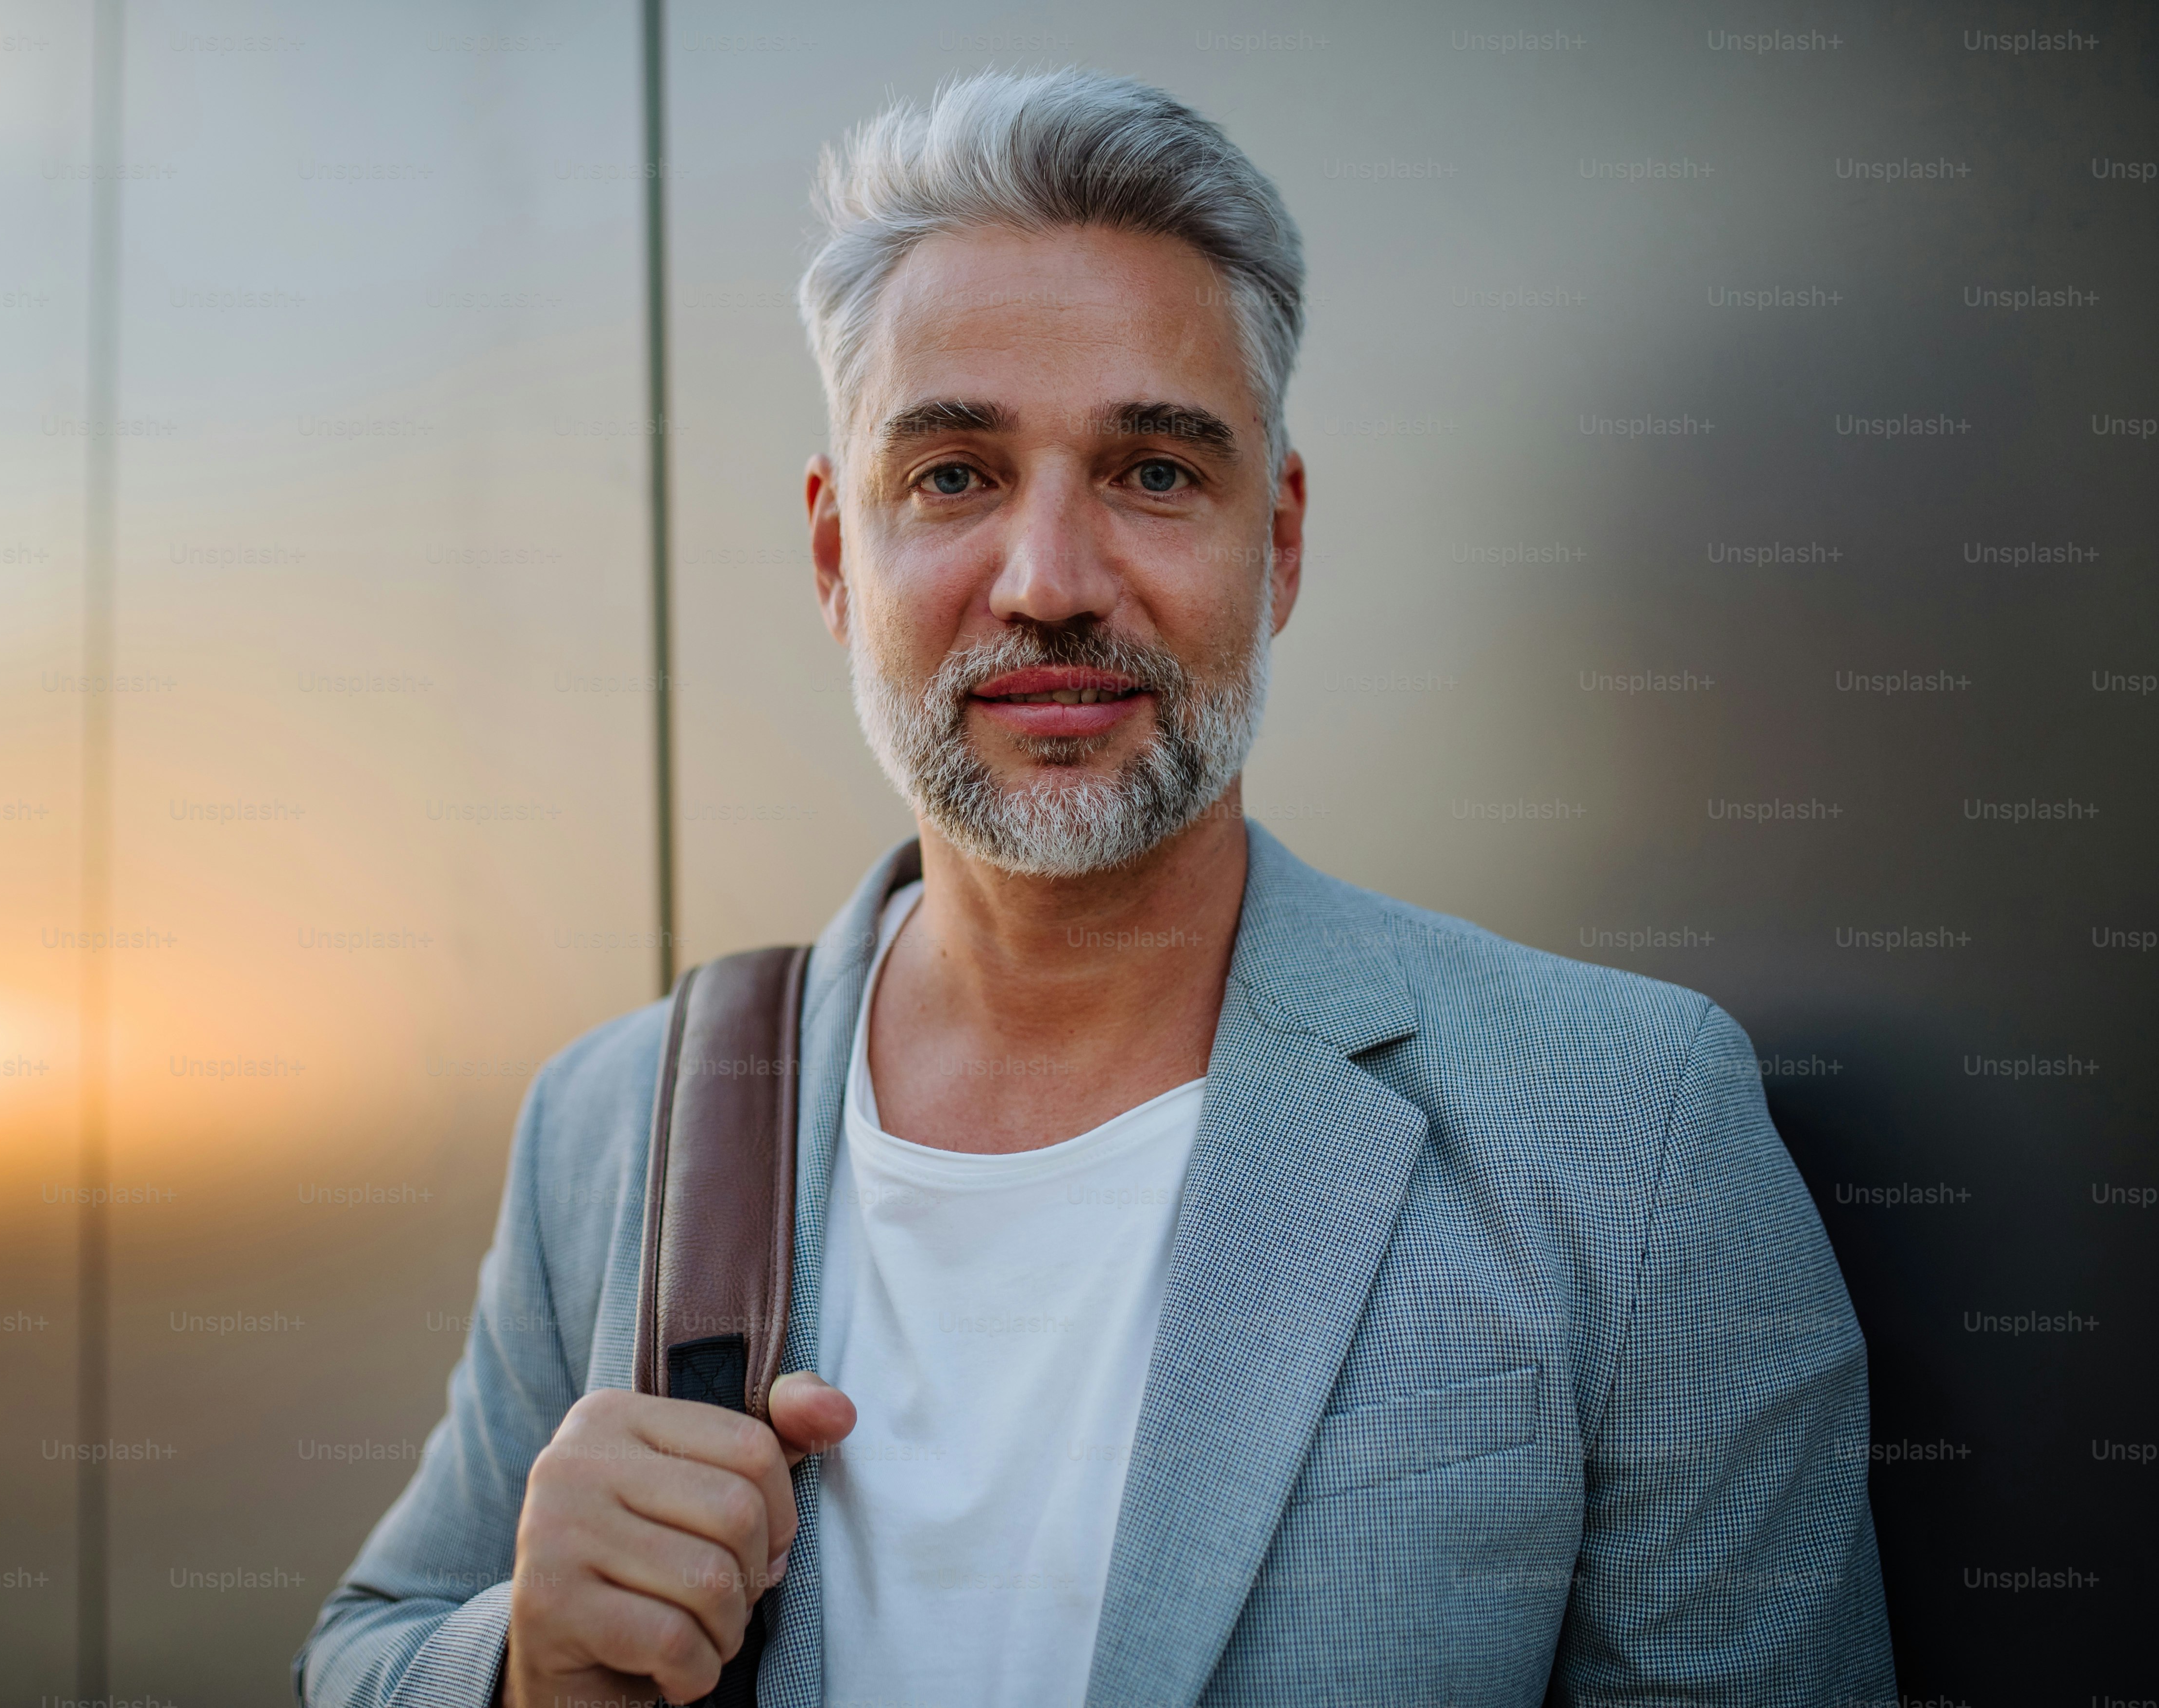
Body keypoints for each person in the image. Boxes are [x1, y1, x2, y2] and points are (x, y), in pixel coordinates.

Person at [298, 67, 1893, 1708]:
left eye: (1150, 471)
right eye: (955, 475)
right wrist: (517, 1665)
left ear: (1275, 542)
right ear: (839, 557)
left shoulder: (1628, 1132)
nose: (1051, 583)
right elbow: (364, 1648)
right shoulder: (614, 1126)